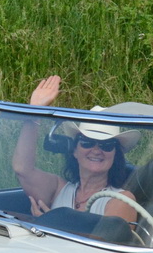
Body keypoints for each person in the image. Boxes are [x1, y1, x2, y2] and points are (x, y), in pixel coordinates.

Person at [11, 75, 140, 226]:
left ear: (115, 154)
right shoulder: (59, 188)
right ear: (75, 151)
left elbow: (103, 245)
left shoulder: (122, 199)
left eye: (106, 144)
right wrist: (34, 113)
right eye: (87, 142)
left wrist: (51, 223)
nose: (96, 150)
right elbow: (22, 168)